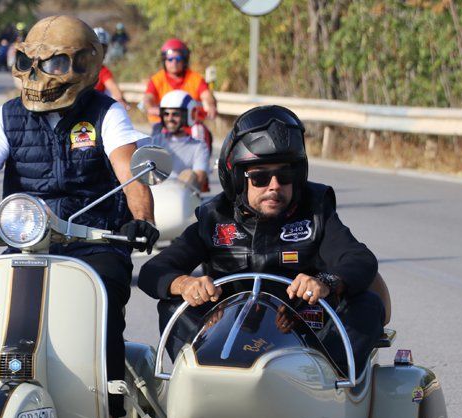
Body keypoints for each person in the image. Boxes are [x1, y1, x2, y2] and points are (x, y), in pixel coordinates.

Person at [0, 16, 157, 418]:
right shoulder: (8, 116)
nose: (37, 76)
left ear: (85, 65)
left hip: (96, 238)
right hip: (28, 240)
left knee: (102, 307)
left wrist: (141, 220)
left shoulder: (106, 113)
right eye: (29, 64)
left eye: (53, 63)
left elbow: (131, 174)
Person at [138, 105, 384, 373]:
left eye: (285, 175)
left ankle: (332, 388)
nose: (275, 185)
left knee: (367, 304)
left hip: (306, 338)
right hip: (226, 337)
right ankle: (193, 381)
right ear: (238, 179)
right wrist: (185, 283)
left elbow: (360, 259)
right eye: (260, 176)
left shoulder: (316, 212)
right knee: (174, 305)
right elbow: (153, 271)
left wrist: (325, 282)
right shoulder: (214, 217)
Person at [143, 38, 217, 124]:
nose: (174, 62)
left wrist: (211, 105)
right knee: (157, 136)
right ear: (164, 61)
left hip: (190, 123)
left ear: (184, 60)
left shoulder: (196, 79)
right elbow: (148, 97)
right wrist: (150, 108)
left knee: (204, 135)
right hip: (163, 124)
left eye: (178, 58)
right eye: (170, 59)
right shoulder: (157, 79)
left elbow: (207, 96)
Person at [149, 90, 210, 192]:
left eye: (175, 114)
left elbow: (199, 179)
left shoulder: (199, 146)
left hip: (183, 199)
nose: (170, 118)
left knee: (189, 174)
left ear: (187, 116)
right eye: (166, 114)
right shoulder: (155, 141)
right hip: (157, 197)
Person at [92, 27, 128, 108]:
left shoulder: (102, 71)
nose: (102, 52)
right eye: (99, 48)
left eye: (104, 48)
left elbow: (114, 89)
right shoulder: (79, 67)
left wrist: (121, 100)